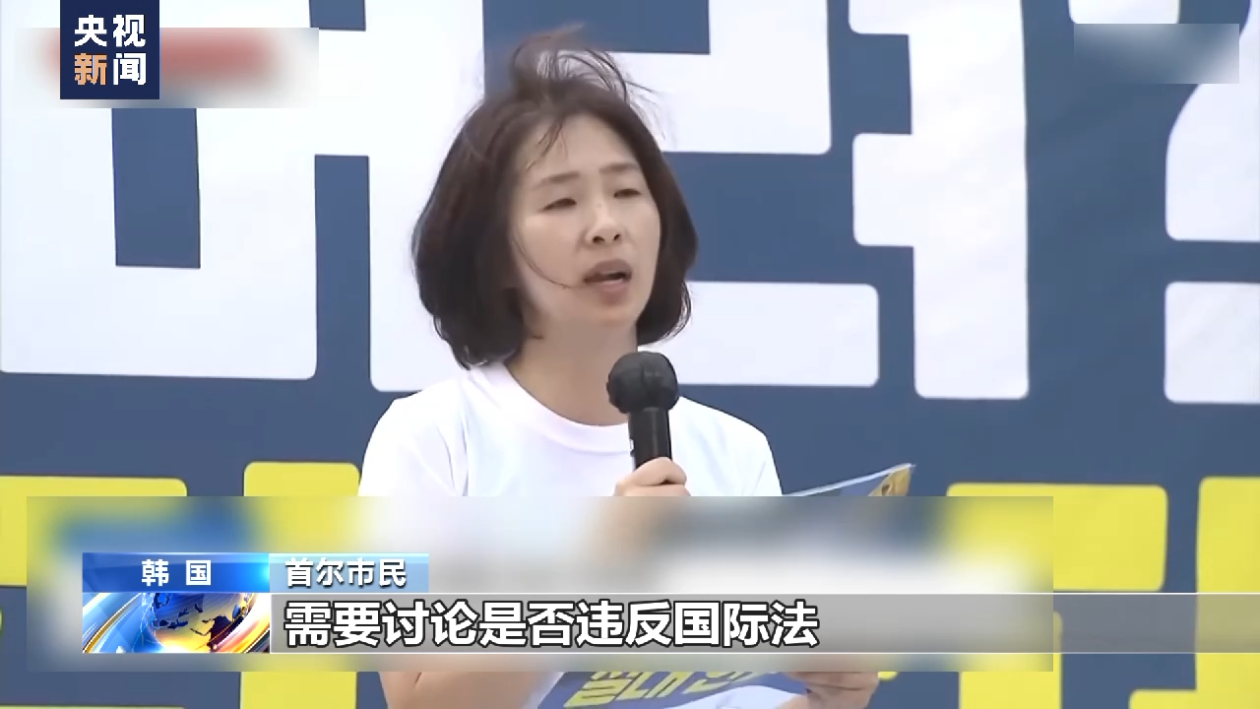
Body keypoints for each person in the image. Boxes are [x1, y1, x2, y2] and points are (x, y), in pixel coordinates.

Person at [357, 28, 881, 709]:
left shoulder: (734, 453)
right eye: (561, 202)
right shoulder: (432, 440)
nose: (606, 225)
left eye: (627, 192)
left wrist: (831, 700)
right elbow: (418, 699)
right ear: (495, 254)